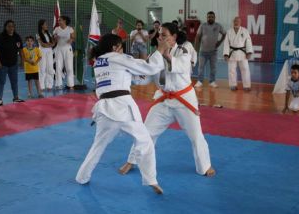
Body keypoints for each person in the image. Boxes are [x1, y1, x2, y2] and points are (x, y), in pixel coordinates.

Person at [76, 33, 170, 194]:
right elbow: (150, 67)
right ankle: (151, 180)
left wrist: (140, 72)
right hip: (123, 108)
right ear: (114, 47)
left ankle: (82, 177)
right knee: (145, 142)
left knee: (98, 146)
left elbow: (133, 76)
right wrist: (160, 50)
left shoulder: (99, 61)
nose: (121, 49)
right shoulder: (117, 57)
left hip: (104, 110)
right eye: (120, 46)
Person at [120, 23, 215, 178]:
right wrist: (131, 74)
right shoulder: (154, 55)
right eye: (159, 34)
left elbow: (182, 67)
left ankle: (205, 166)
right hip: (163, 99)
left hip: (184, 100)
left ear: (174, 37)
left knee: (196, 135)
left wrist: (165, 54)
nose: (160, 37)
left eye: (164, 35)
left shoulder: (183, 51)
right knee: (146, 132)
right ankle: (132, 161)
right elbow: (146, 76)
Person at [0, 20, 25, 106]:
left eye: (12, 26)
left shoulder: (17, 37)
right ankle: (0, 100)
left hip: (13, 64)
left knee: (14, 82)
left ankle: (16, 98)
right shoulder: (0, 37)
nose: (11, 28)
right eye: (9, 26)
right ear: (5, 27)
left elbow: (21, 50)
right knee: (1, 82)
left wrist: (22, 61)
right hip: (2, 65)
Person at [195, 11, 226, 88]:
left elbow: (224, 33)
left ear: (214, 18)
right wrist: (196, 49)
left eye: (212, 17)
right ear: (207, 17)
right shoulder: (202, 25)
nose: (210, 18)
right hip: (203, 51)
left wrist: (220, 42)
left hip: (213, 52)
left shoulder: (218, 26)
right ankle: (199, 81)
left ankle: (212, 82)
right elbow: (197, 36)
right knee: (201, 67)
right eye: (209, 17)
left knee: (213, 68)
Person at [223, 17, 253, 91]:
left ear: (240, 22)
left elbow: (248, 42)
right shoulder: (229, 32)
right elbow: (226, 43)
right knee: (231, 70)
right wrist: (226, 54)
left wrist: (249, 52)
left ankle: (247, 85)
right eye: (235, 21)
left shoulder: (245, 31)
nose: (236, 22)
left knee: (245, 69)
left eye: (238, 21)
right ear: (233, 22)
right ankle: (233, 85)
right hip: (232, 53)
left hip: (242, 53)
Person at [53, 16, 75, 89]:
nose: (59, 22)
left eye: (60, 20)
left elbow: (73, 37)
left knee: (69, 67)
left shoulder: (70, 29)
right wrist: (56, 38)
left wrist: (71, 40)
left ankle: (70, 84)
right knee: (58, 67)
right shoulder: (56, 29)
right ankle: (58, 84)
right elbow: (54, 40)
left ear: (65, 21)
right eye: (58, 20)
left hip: (67, 48)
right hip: (59, 49)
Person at [37, 19, 55, 91]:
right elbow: (42, 45)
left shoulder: (49, 34)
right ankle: (41, 86)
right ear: (41, 26)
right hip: (42, 52)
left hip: (49, 52)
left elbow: (53, 43)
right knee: (42, 68)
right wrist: (49, 45)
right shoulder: (38, 34)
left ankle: (49, 85)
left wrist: (50, 44)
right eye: (45, 24)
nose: (46, 26)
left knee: (50, 68)